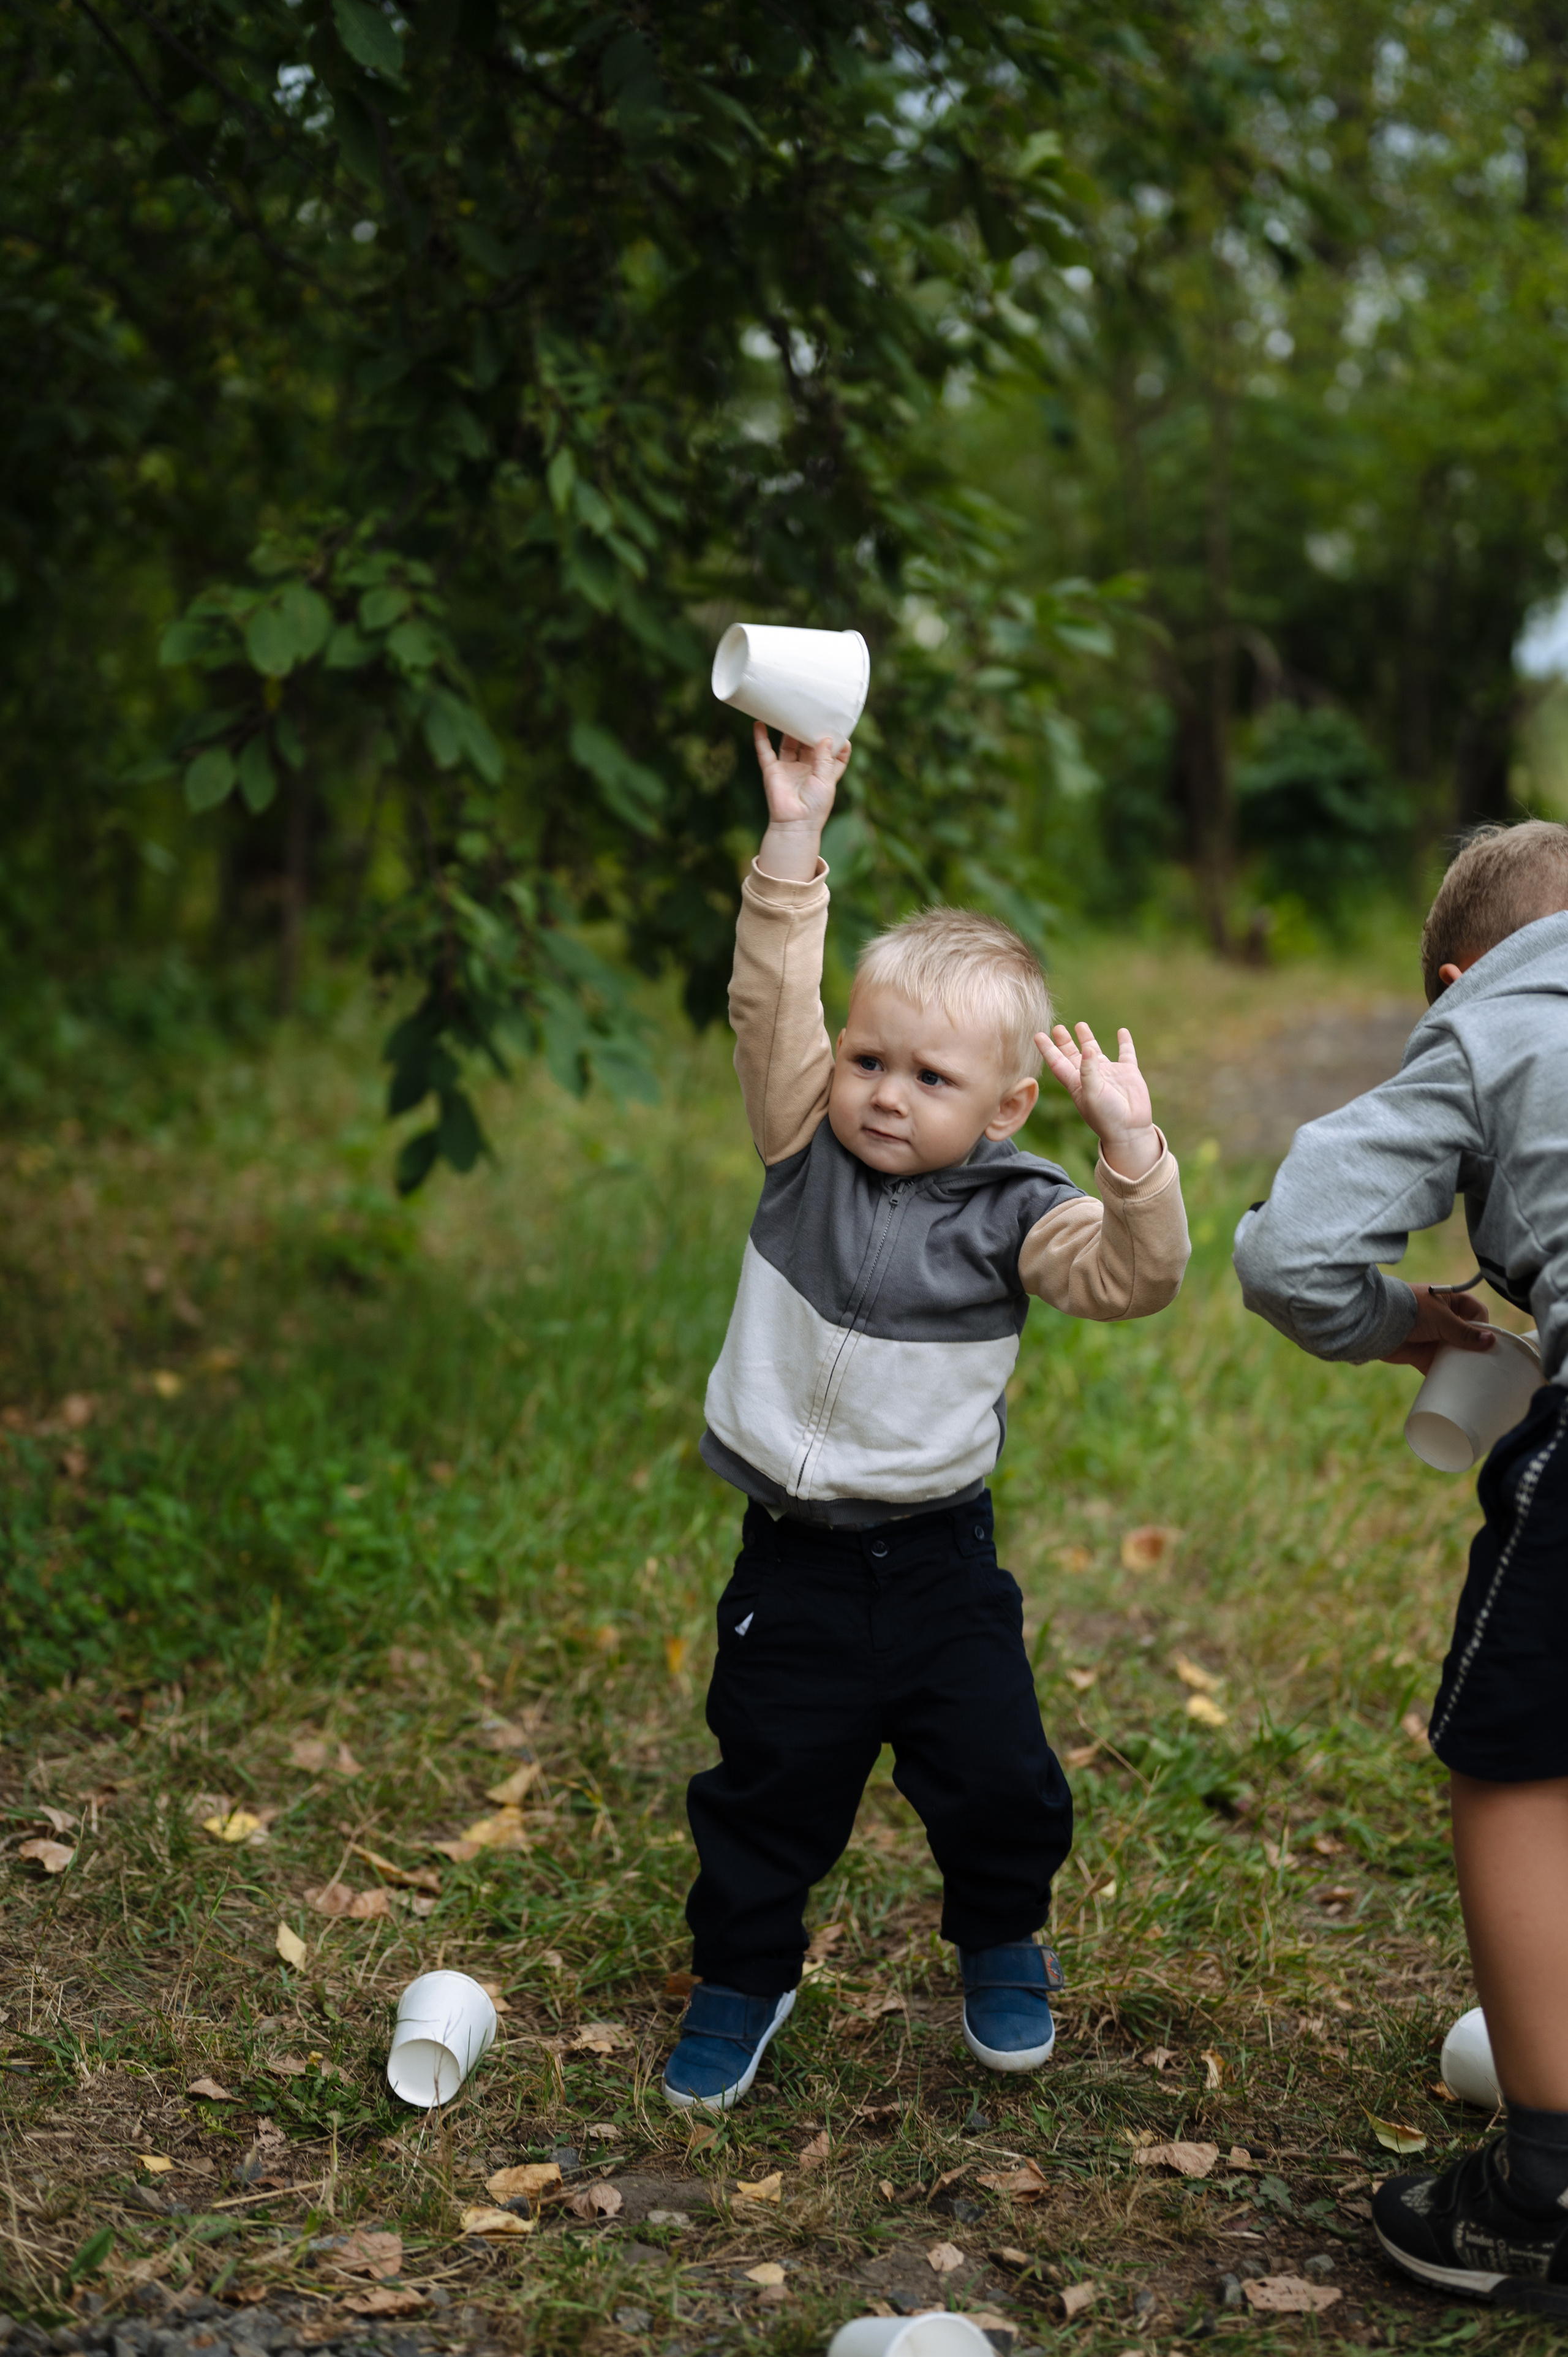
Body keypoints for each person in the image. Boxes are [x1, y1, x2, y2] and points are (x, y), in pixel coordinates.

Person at [662, 721, 1191, 2113]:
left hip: (940, 1562)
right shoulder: (801, 1146)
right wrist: (793, 841)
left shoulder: (1022, 1213)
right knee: (766, 1780)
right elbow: (770, 1003)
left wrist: (1131, 1158)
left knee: (997, 1776)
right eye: (869, 1059)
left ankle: (1002, 1935)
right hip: (793, 1554)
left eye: (930, 1077)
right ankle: (745, 1974)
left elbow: (1136, 1278)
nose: (885, 1093)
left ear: (1011, 1103)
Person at [1234, 819, 1568, 2316]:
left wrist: (1410, 1323)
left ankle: (1537, 2189)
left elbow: (1289, 1251)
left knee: (1505, 1753)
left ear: (1453, 974)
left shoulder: (1487, 1019)